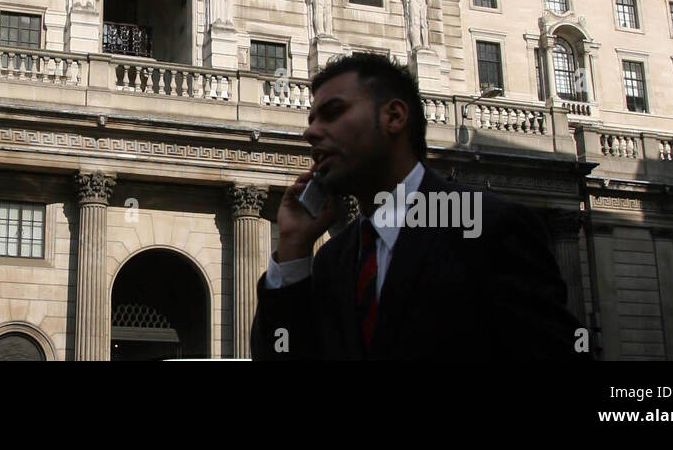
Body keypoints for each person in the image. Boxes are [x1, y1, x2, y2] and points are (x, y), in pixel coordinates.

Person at [250, 52, 585, 360]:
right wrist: (292, 250)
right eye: (311, 119)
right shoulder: (330, 260)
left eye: (333, 113)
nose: (310, 132)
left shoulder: (490, 229)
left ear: (394, 116)